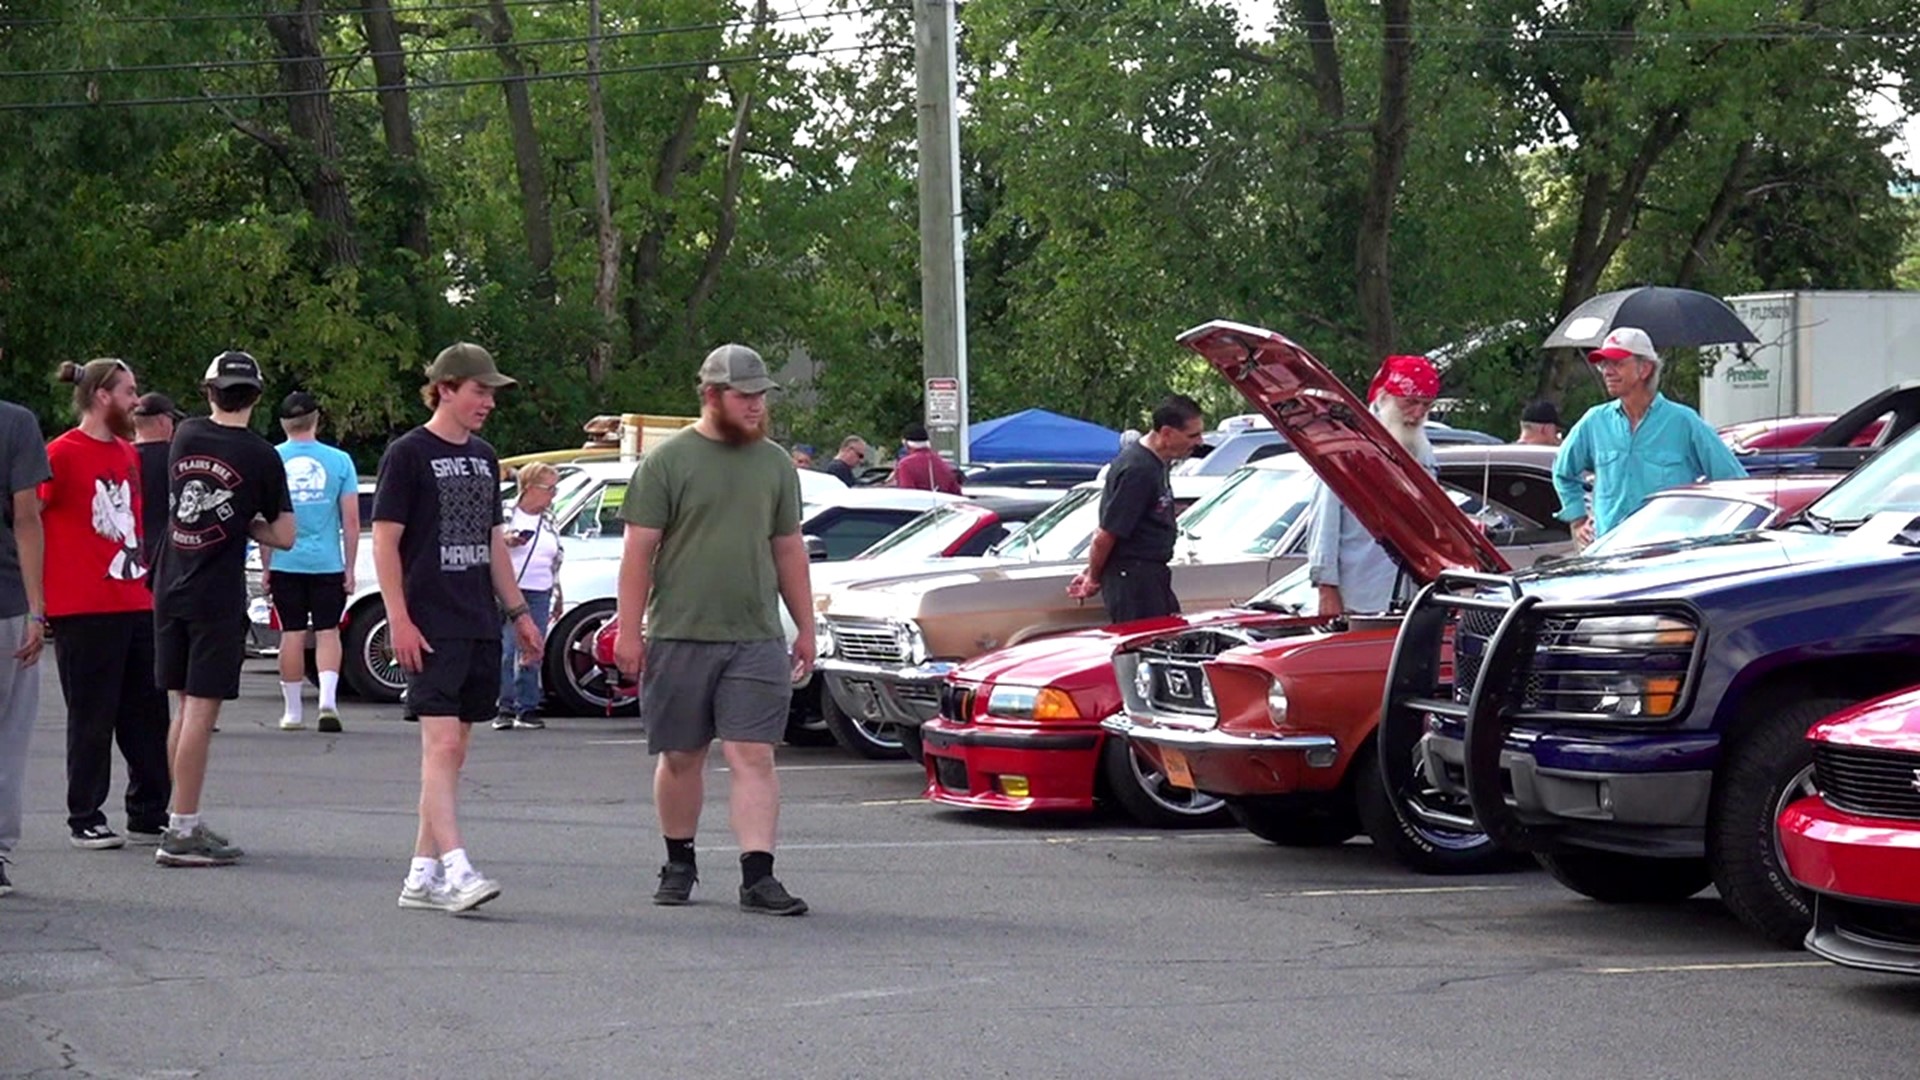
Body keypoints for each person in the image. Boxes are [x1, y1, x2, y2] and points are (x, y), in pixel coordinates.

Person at [612, 343, 815, 917]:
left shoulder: (775, 463)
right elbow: (638, 555)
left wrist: (805, 626)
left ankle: (759, 875)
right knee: (681, 755)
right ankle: (679, 861)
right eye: (744, 396)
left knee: (754, 753)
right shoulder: (667, 463)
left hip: (754, 635)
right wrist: (630, 632)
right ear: (711, 395)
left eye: (761, 397)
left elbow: (789, 550)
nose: (755, 406)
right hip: (680, 633)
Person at [373, 343, 542, 914]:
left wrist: (519, 615)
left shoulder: (485, 456)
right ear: (445, 388)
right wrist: (398, 617)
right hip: (428, 622)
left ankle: (420, 877)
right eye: (479, 390)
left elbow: (494, 543)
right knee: (441, 744)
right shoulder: (408, 454)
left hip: (476, 620)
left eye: (491, 392)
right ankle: (458, 869)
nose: (488, 402)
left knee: (455, 752)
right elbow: (386, 542)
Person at [152, 351, 293, 868]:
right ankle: (183, 830)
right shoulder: (261, 456)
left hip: (170, 582)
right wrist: (246, 524)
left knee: (182, 704)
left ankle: (179, 816)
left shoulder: (185, 435)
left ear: (210, 391)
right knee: (201, 709)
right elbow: (285, 534)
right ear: (255, 396)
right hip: (214, 592)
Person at [41, 359, 172, 852]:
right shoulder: (60, 454)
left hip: (133, 597)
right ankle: (85, 814)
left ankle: (148, 810)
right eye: (129, 391)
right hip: (83, 606)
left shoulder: (127, 454)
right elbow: (29, 515)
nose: (136, 401)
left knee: (147, 712)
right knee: (92, 715)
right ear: (101, 396)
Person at [1552, 327, 1746, 546]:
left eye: (1617, 363)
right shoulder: (1594, 421)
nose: (1607, 371)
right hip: (1608, 555)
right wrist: (1577, 520)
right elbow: (1562, 472)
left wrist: (1709, 530)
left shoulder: (1684, 422)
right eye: (1604, 364)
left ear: (1644, 369)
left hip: (1667, 557)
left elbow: (1735, 482)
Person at [1307, 355, 1440, 617]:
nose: (1417, 414)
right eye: (1410, 403)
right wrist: (1326, 587)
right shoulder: (1346, 445)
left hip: (1409, 594)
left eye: (1426, 406)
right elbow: (1324, 521)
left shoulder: (1422, 449)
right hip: (1358, 595)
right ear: (1385, 397)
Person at [1066, 395, 1206, 622]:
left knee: (1171, 634)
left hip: (1152, 575)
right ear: (1167, 433)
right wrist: (1092, 577)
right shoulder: (1137, 469)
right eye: (1193, 435)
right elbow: (1106, 533)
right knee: (1148, 647)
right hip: (1133, 580)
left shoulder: (1158, 462)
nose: (1199, 441)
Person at [266, 391, 358, 733]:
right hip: (327, 563)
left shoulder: (272, 459)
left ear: (282, 423)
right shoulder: (339, 461)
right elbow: (350, 521)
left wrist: (265, 567)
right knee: (327, 632)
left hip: (284, 560)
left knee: (291, 634)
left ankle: (292, 712)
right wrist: (349, 568)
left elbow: (268, 518)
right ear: (316, 419)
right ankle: (328, 702)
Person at [0, 396, 50, 897]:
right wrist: (38, 608)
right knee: (8, 734)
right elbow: (26, 519)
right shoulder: (15, 423)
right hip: (5, 600)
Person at [494, 461, 563, 731]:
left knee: (534, 648)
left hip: (541, 589)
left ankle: (528, 706)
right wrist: (507, 541)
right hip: (512, 589)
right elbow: (487, 543)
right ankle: (505, 705)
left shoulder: (549, 518)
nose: (552, 495)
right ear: (530, 488)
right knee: (510, 646)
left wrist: (558, 592)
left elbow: (556, 556)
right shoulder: (506, 512)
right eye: (549, 489)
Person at [131, 392, 186, 581]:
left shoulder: (120, 458)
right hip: (170, 554)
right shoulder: (180, 459)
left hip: (129, 551)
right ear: (163, 421)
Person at [891, 421, 962, 494]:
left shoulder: (905, 465)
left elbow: (907, 495)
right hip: (942, 503)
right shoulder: (941, 462)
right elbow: (956, 492)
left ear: (905, 443)